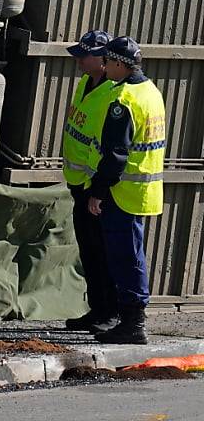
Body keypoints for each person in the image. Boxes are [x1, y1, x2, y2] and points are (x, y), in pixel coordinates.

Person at [86, 37, 166, 345]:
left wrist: (98, 191)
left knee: (127, 257)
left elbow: (116, 153)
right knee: (131, 254)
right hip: (143, 189)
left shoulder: (124, 100)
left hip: (124, 192)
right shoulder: (151, 92)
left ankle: (133, 323)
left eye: (108, 62)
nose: (104, 68)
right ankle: (130, 320)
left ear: (120, 64)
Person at [62, 30, 119, 334]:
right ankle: (97, 309)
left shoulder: (113, 93)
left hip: (97, 187)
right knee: (89, 252)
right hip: (79, 183)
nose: (79, 61)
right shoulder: (87, 82)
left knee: (104, 251)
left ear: (104, 59)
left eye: (85, 55)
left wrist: (97, 188)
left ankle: (111, 312)